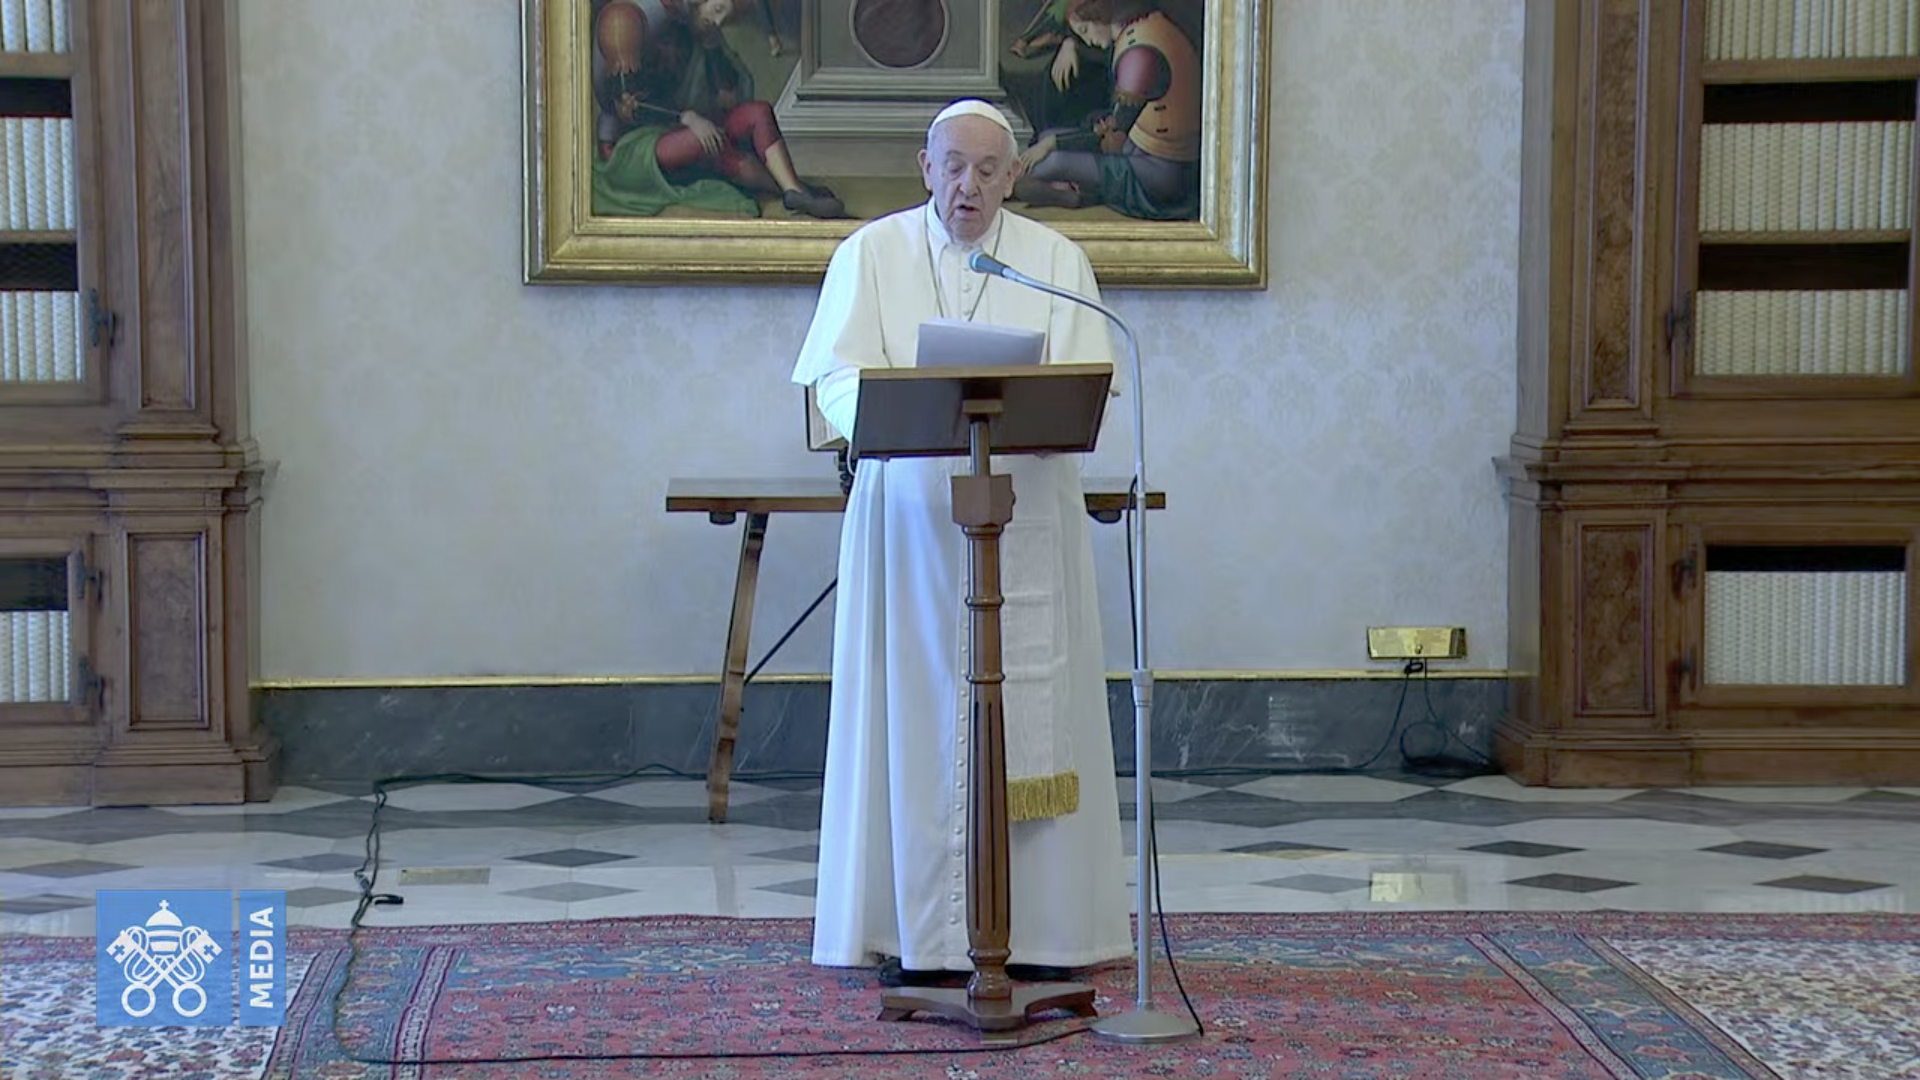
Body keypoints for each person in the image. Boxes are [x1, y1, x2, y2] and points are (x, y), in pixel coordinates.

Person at [789, 99, 1133, 985]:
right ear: (925, 166)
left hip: (1027, 511)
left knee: (1032, 710)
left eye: (987, 169)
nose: (967, 185)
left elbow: (1088, 381)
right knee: (913, 707)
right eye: (952, 166)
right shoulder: (870, 253)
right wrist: (886, 412)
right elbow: (833, 377)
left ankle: (1044, 935)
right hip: (911, 525)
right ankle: (913, 932)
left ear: (1013, 176)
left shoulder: (1055, 262)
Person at [589, 0, 844, 219]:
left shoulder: (696, 25)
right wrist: (688, 117)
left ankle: (793, 190)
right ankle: (788, 189)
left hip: (679, 128)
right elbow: (627, 106)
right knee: (709, 141)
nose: (719, 22)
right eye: (719, 9)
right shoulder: (625, 20)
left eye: (726, 18)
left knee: (758, 113)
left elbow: (727, 97)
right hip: (631, 146)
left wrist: (711, 50)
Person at [1014, 0, 1202, 221]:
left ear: (1099, 13)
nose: (1086, 40)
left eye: (1084, 30)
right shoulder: (1141, 27)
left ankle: (1074, 193)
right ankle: (1072, 188)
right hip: (1138, 147)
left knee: (1048, 162)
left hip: (1162, 173)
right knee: (1046, 139)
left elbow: (1113, 133)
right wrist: (1069, 44)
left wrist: (1052, 144)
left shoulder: (1138, 56)